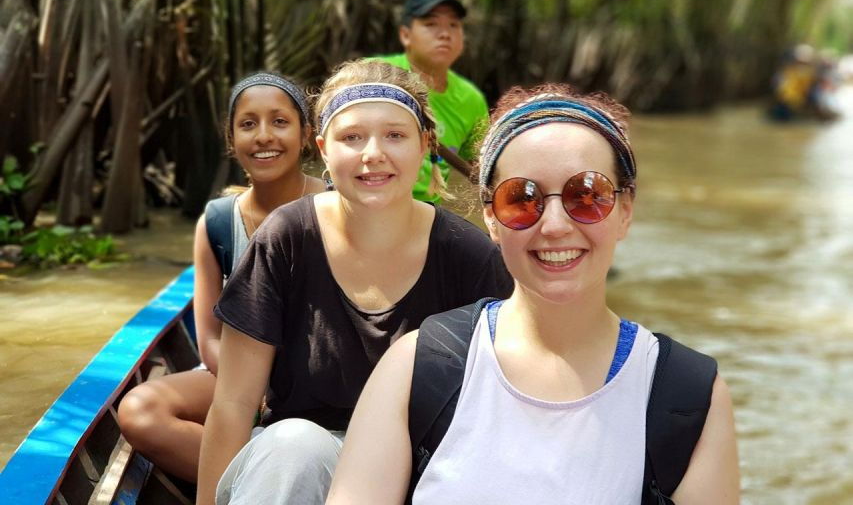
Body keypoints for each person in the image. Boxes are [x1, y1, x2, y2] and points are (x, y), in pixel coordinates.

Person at [328, 84, 740, 504]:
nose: (556, 224)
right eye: (522, 199)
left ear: (625, 210)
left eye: (587, 195)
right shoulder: (417, 368)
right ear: (490, 216)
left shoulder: (688, 396)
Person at [197, 60, 513, 505]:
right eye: (352, 138)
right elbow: (233, 403)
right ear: (324, 149)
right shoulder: (287, 237)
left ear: (425, 145)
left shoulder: (469, 254)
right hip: (302, 468)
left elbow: (499, 414)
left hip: (421, 473)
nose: (373, 153)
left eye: (395, 135)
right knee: (292, 445)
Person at [117, 72, 324, 482]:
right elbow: (210, 336)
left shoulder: (338, 205)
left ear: (306, 135)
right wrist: (250, 390)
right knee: (139, 411)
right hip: (237, 376)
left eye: (280, 122)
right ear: (231, 140)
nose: (264, 136)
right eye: (248, 124)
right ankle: (262, 476)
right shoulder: (217, 220)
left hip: (323, 378)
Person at [375, 0, 489, 202]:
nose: (445, 34)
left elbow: (480, 170)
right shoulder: (376, 74)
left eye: (454, 25)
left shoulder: (471, 99)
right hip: (371, 200)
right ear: (405, 35)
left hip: (429, 213)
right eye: (431, 24)